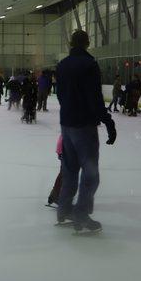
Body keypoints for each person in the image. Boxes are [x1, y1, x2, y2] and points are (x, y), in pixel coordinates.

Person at [55, 30, 116, 234]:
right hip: (84, 126)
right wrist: (108, 122)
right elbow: (95, 97)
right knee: (91, 175)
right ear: (87, 43)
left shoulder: (62, 65)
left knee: (70, 170)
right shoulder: (89, 65)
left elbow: (61, 96)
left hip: (67, 124)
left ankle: (63, 210)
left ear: (72, 43)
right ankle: (80, 214)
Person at [47, 134, 64, 207]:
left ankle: (55, 195)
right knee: (65, 173)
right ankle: (55, 195)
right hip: (66, 149)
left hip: (64, 148)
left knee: (64, 173)